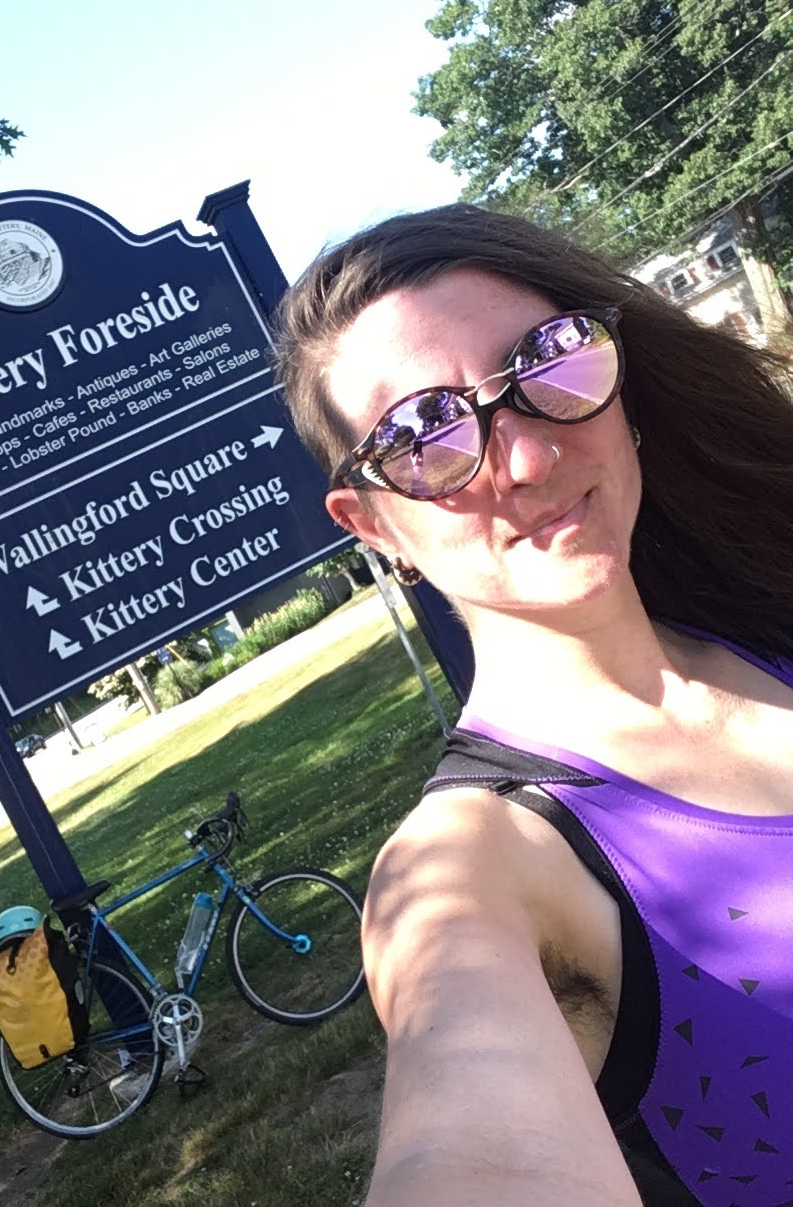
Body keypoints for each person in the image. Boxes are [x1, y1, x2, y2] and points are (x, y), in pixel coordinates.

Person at [273, 203, 793, 1207]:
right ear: (372, 523)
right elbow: (474, 1152)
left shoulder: (768, 608)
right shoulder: (476, 866)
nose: (528, 458)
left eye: (548, 359)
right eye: (425, 435)